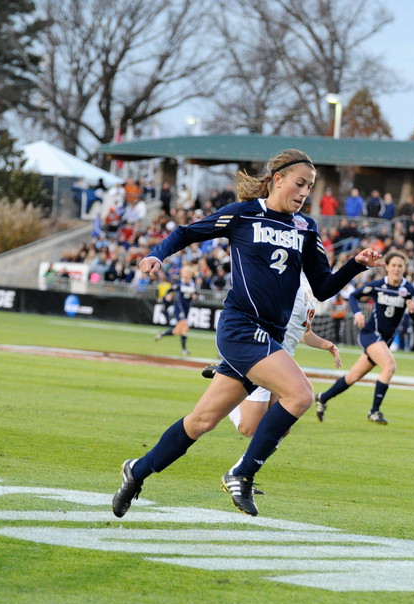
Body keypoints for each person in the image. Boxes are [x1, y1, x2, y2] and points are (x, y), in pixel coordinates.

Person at [111, 149, 382, 518]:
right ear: (277, 180)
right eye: (299, 184)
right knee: (300, 395)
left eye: (310, 187)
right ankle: (242, 473)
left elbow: (321, 287)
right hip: (241, 327)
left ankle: (136, 471)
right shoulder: (244, 214)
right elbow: (189, 232)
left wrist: (354, 265)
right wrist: (159, 254)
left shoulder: (306, 228)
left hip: (267, 336)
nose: (304, 192)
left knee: (201, 422)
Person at [314, 251, 414, 425]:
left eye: (400, 266)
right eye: (393, 265)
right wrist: (357, 313)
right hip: (369, 334)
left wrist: (413, 311)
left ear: (405, 268)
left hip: (382, 341)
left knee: (353, 376)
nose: (396, 269)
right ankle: (374, 411)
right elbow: (354, 296)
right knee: (389, 366)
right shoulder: (378, 285)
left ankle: (322, 397)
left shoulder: (409, 290)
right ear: (386, 266)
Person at [228, 273, 341, 438]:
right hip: (265, 356)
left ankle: (248, 463)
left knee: (281, 427)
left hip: (283, 361)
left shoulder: (310, 286)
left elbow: (304, 332)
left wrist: (326, 345)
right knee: (250, 429)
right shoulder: (286, 276)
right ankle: (229, 390)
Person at [155, 265, 196, 356]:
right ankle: (184, 350)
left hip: (187, 308)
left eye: (186, 272)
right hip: (179, 308)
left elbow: (194, 293)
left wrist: (194, 295)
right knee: (185, 326)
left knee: (177, 331)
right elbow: (170, 290)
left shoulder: (192, 283)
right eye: (183, 272)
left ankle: (163, 333)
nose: (184, 273)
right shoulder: (179, 283)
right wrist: (168, 295)